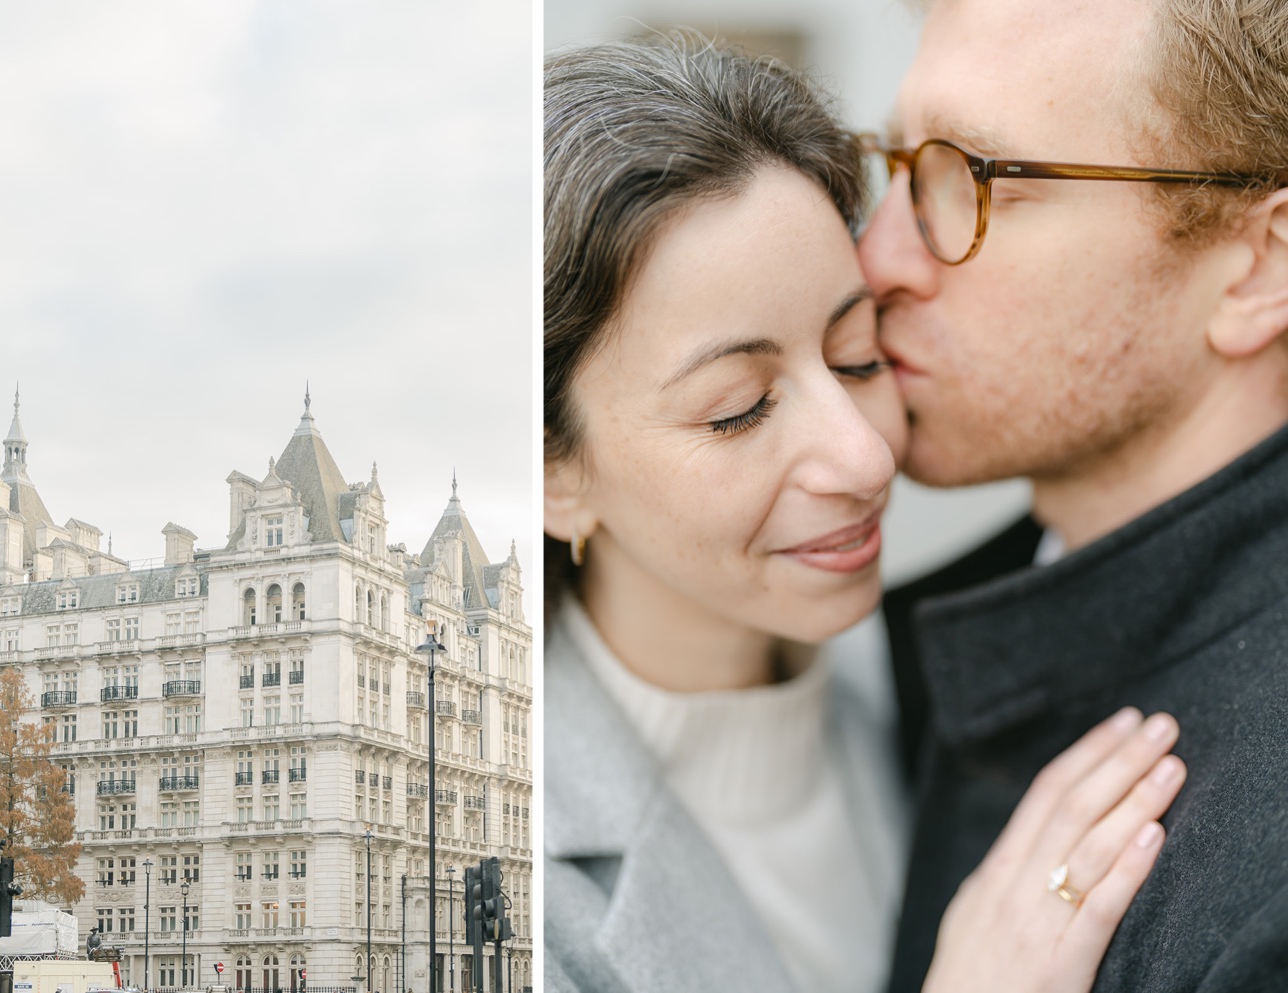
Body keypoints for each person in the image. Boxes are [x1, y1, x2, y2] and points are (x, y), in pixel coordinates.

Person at [544, 31, 1187, 993]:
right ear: (554, 473)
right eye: (740, 408)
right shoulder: (466, 890)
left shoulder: (931, 680)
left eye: (857, 356)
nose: (865, 454)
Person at [853, 1, 1288, 990]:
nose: (878, 261)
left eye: (970, 177)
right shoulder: (877, 673)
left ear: (1260, 269)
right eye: (895, 163)